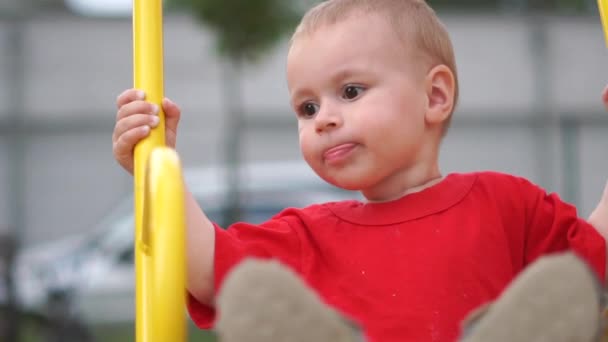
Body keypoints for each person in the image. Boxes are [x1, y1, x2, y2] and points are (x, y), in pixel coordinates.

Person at [112, 0, 608, 341]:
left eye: (350, 91)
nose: (323, 118)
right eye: (306, 108)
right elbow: (206, 269)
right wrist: (159, 163)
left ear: (434, 96)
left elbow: (593, 261)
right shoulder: (306, 237)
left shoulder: (506, 206)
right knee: (256, 290)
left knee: (570, 290)